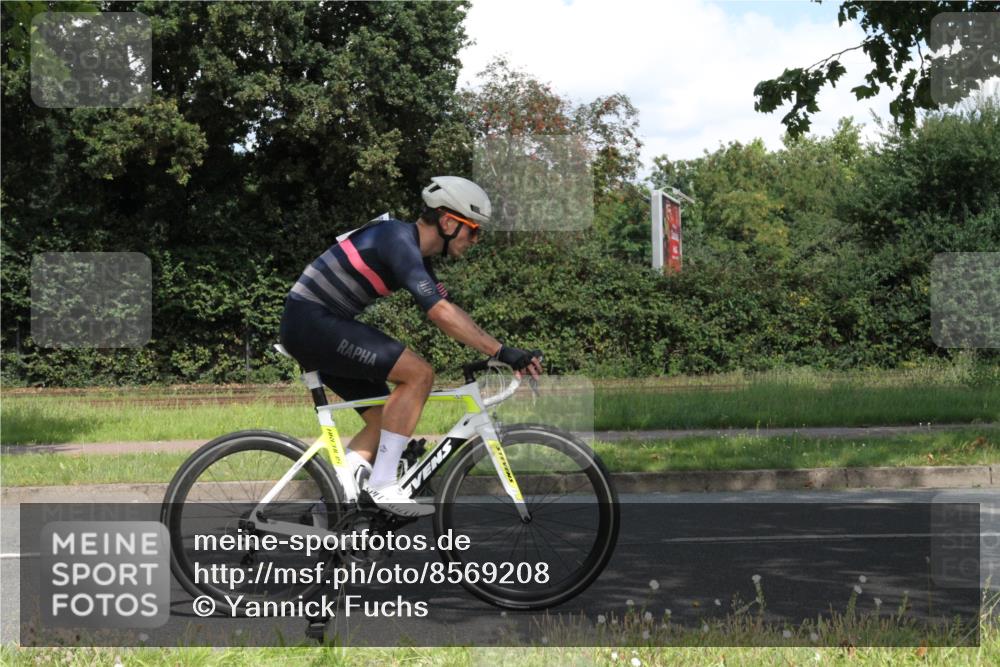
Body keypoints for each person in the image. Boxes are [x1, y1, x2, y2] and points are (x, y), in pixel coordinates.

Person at [279, 176, 543, 517]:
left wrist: (503, 348)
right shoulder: (397, 240)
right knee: (419, 374)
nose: (476, 240)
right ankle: (383, 485)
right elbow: (440, 313)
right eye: (474, 230)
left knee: (383, 420)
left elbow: (452, 312)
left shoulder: (413, 253)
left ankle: (327, 511)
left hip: (314, 325)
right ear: (449, 222)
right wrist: (501, 351)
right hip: (311, 323)